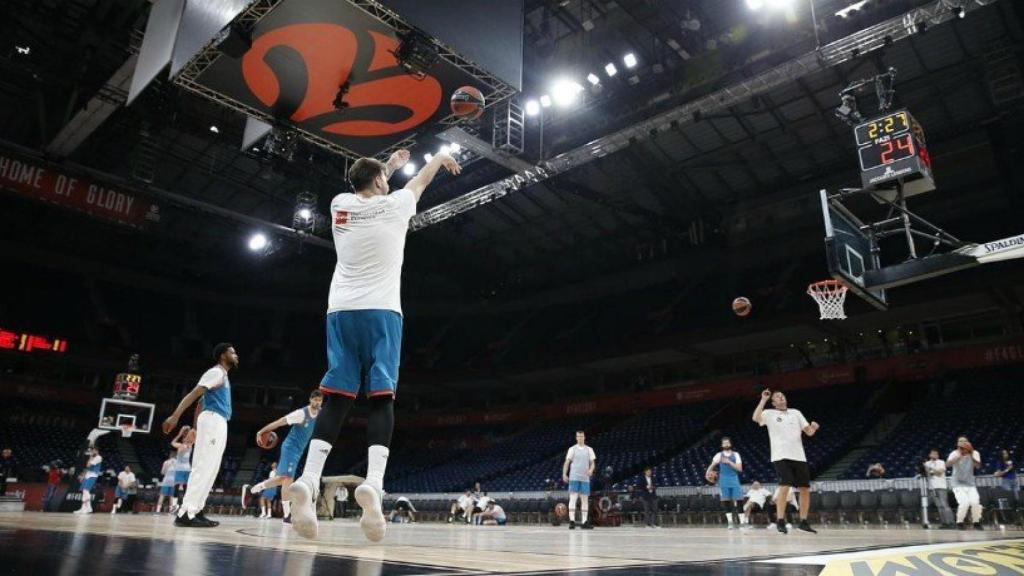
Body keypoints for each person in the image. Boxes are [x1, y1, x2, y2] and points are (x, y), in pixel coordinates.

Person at [288, 150, 461, 542]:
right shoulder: (398, 205)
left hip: (340, 313)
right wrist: (441, 157)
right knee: (381, 399)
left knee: (336, 398)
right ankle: (374, 484)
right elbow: (420, 182)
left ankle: (310, 478)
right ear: (382, 182)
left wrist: (388, 165)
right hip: (382, 313)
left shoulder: (340, 204)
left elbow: (367, 182)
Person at [162, 343, 237, 528]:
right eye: (232, 352)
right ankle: (186, 512)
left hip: (217, 421)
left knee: (212, 467)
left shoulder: (223, 376)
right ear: (222, 356)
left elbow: (200, 403)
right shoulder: (216, 372)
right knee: (203, 466)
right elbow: (195, 394)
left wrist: (195, 428)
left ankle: (196, 509)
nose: (236, 355)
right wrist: (176, 415)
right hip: (212, 420)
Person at [245, 390, 323, 523]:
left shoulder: (321, 413)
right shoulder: (301, 413)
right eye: (314, 400)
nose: (317, 402)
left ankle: (255, 487)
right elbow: (280, 421)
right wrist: (262, 431)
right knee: (288, 479)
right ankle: (287, 515)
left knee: (282, 479)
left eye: (319, 400)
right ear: (310, 400)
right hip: (290, 448)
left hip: (300, 450)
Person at [752, 388, 820, 534]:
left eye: (782, 395)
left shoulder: (796, 412)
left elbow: (808, 432)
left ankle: (803, 522)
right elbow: (755, 418)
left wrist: (813, 428)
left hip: (799, 456)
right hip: (781, 455)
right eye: (777, 396)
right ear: (774, 402)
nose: (781, 397)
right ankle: (780, 520)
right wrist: (763, 400)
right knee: (785, 485)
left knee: (805, 489)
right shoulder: (769, 413)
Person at [706, 437, 744, 529]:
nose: (726, 444)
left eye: (727, 443)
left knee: (739, 500)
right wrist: (707, 474)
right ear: (722, 445)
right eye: (724, 443)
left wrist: (729, 462)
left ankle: (742, 524)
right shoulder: (718, 455)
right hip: (723, 479)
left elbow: (739, 469)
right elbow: (711, 466)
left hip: (734, 479)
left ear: (730, 444)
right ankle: (730, 523)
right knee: (726, 501)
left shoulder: (736, 454)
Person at [562, 430, 597, 530]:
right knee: (573, 498)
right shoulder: (572, 449)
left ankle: (584, 522)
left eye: (581, 436)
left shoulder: (589, 449)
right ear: (576, 437)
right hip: (574, 477)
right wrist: (564, 474)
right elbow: (567, 462)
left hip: (585, 479)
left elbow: (593, 463)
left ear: (584, 437)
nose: (580, 438)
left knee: (584, 500)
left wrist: (591, 470)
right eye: (578, 436)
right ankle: (572, 521)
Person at [947, 436, 983, 530]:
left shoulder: (975, 453)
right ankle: (959, 522)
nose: (961, 443)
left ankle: (976, 522)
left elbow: (978, 466)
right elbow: (948, 464)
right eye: (960, 441)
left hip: (970, 483)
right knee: (964, 502)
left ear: (968, 443)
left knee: (975, 502)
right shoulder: (954, 453)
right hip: (957, 483)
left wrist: (970, 454)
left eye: (964, 441)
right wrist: (958, 456)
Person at [923, 449, 955, 528]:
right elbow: (928, 474)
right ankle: (944, 523)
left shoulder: (941, 462)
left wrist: (930, 468)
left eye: (936, 454)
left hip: (941, 486)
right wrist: (929, 469)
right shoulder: (927, 463)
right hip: (932, 487)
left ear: (938, 455)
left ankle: (951, 522)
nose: (934, 455)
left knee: (944, 505)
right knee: (939, 506)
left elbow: (940, 472)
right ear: (930, 455)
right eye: (932, 454)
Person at [170, 426, 195, 514]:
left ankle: (177, 505)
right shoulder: (188, 445)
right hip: (186, 469)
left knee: (180, 487)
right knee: (183, 487)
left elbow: (172, 442)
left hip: (182, 469)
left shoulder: (185, 445)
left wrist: (180, 433)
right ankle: (178, 506)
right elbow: (173, 443)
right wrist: (181, 433)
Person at [74, 447, 102, 514]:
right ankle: (83, 508)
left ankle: (89, 507)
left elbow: (89, 464)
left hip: (93, 475)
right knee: (84, 491)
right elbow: (87, 465)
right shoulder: (92, 457)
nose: (93, 451)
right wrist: (90, 456)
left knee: (86, 490)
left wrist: (91, 456)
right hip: (87, 475)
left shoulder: (99, 457)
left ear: (97, 451)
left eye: (94, 451)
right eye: (92, 451)